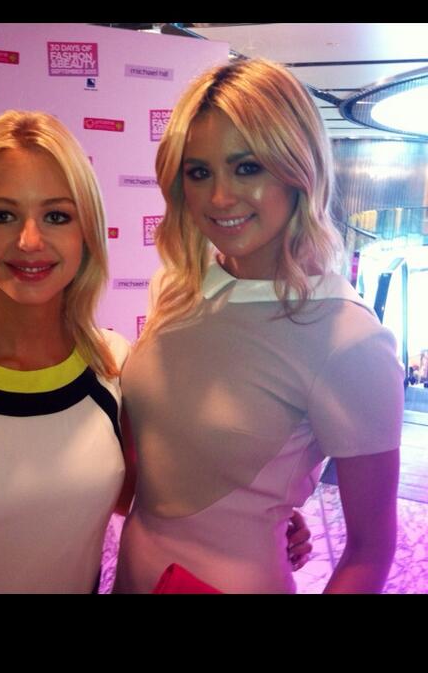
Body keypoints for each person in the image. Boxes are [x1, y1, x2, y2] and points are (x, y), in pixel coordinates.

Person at [0, 109, 311, 595]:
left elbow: (142, 496)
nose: (29, 241)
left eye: (56, 216)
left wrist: (250, 520)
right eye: (2, 215)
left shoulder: (114, 364)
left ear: (87, 232)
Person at [114, 58, 403, 594]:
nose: (220, 197)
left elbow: (371, 548)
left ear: (297, 167)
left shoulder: (349, 338)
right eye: (199, 172)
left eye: (247, 167)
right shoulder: (175, 288)